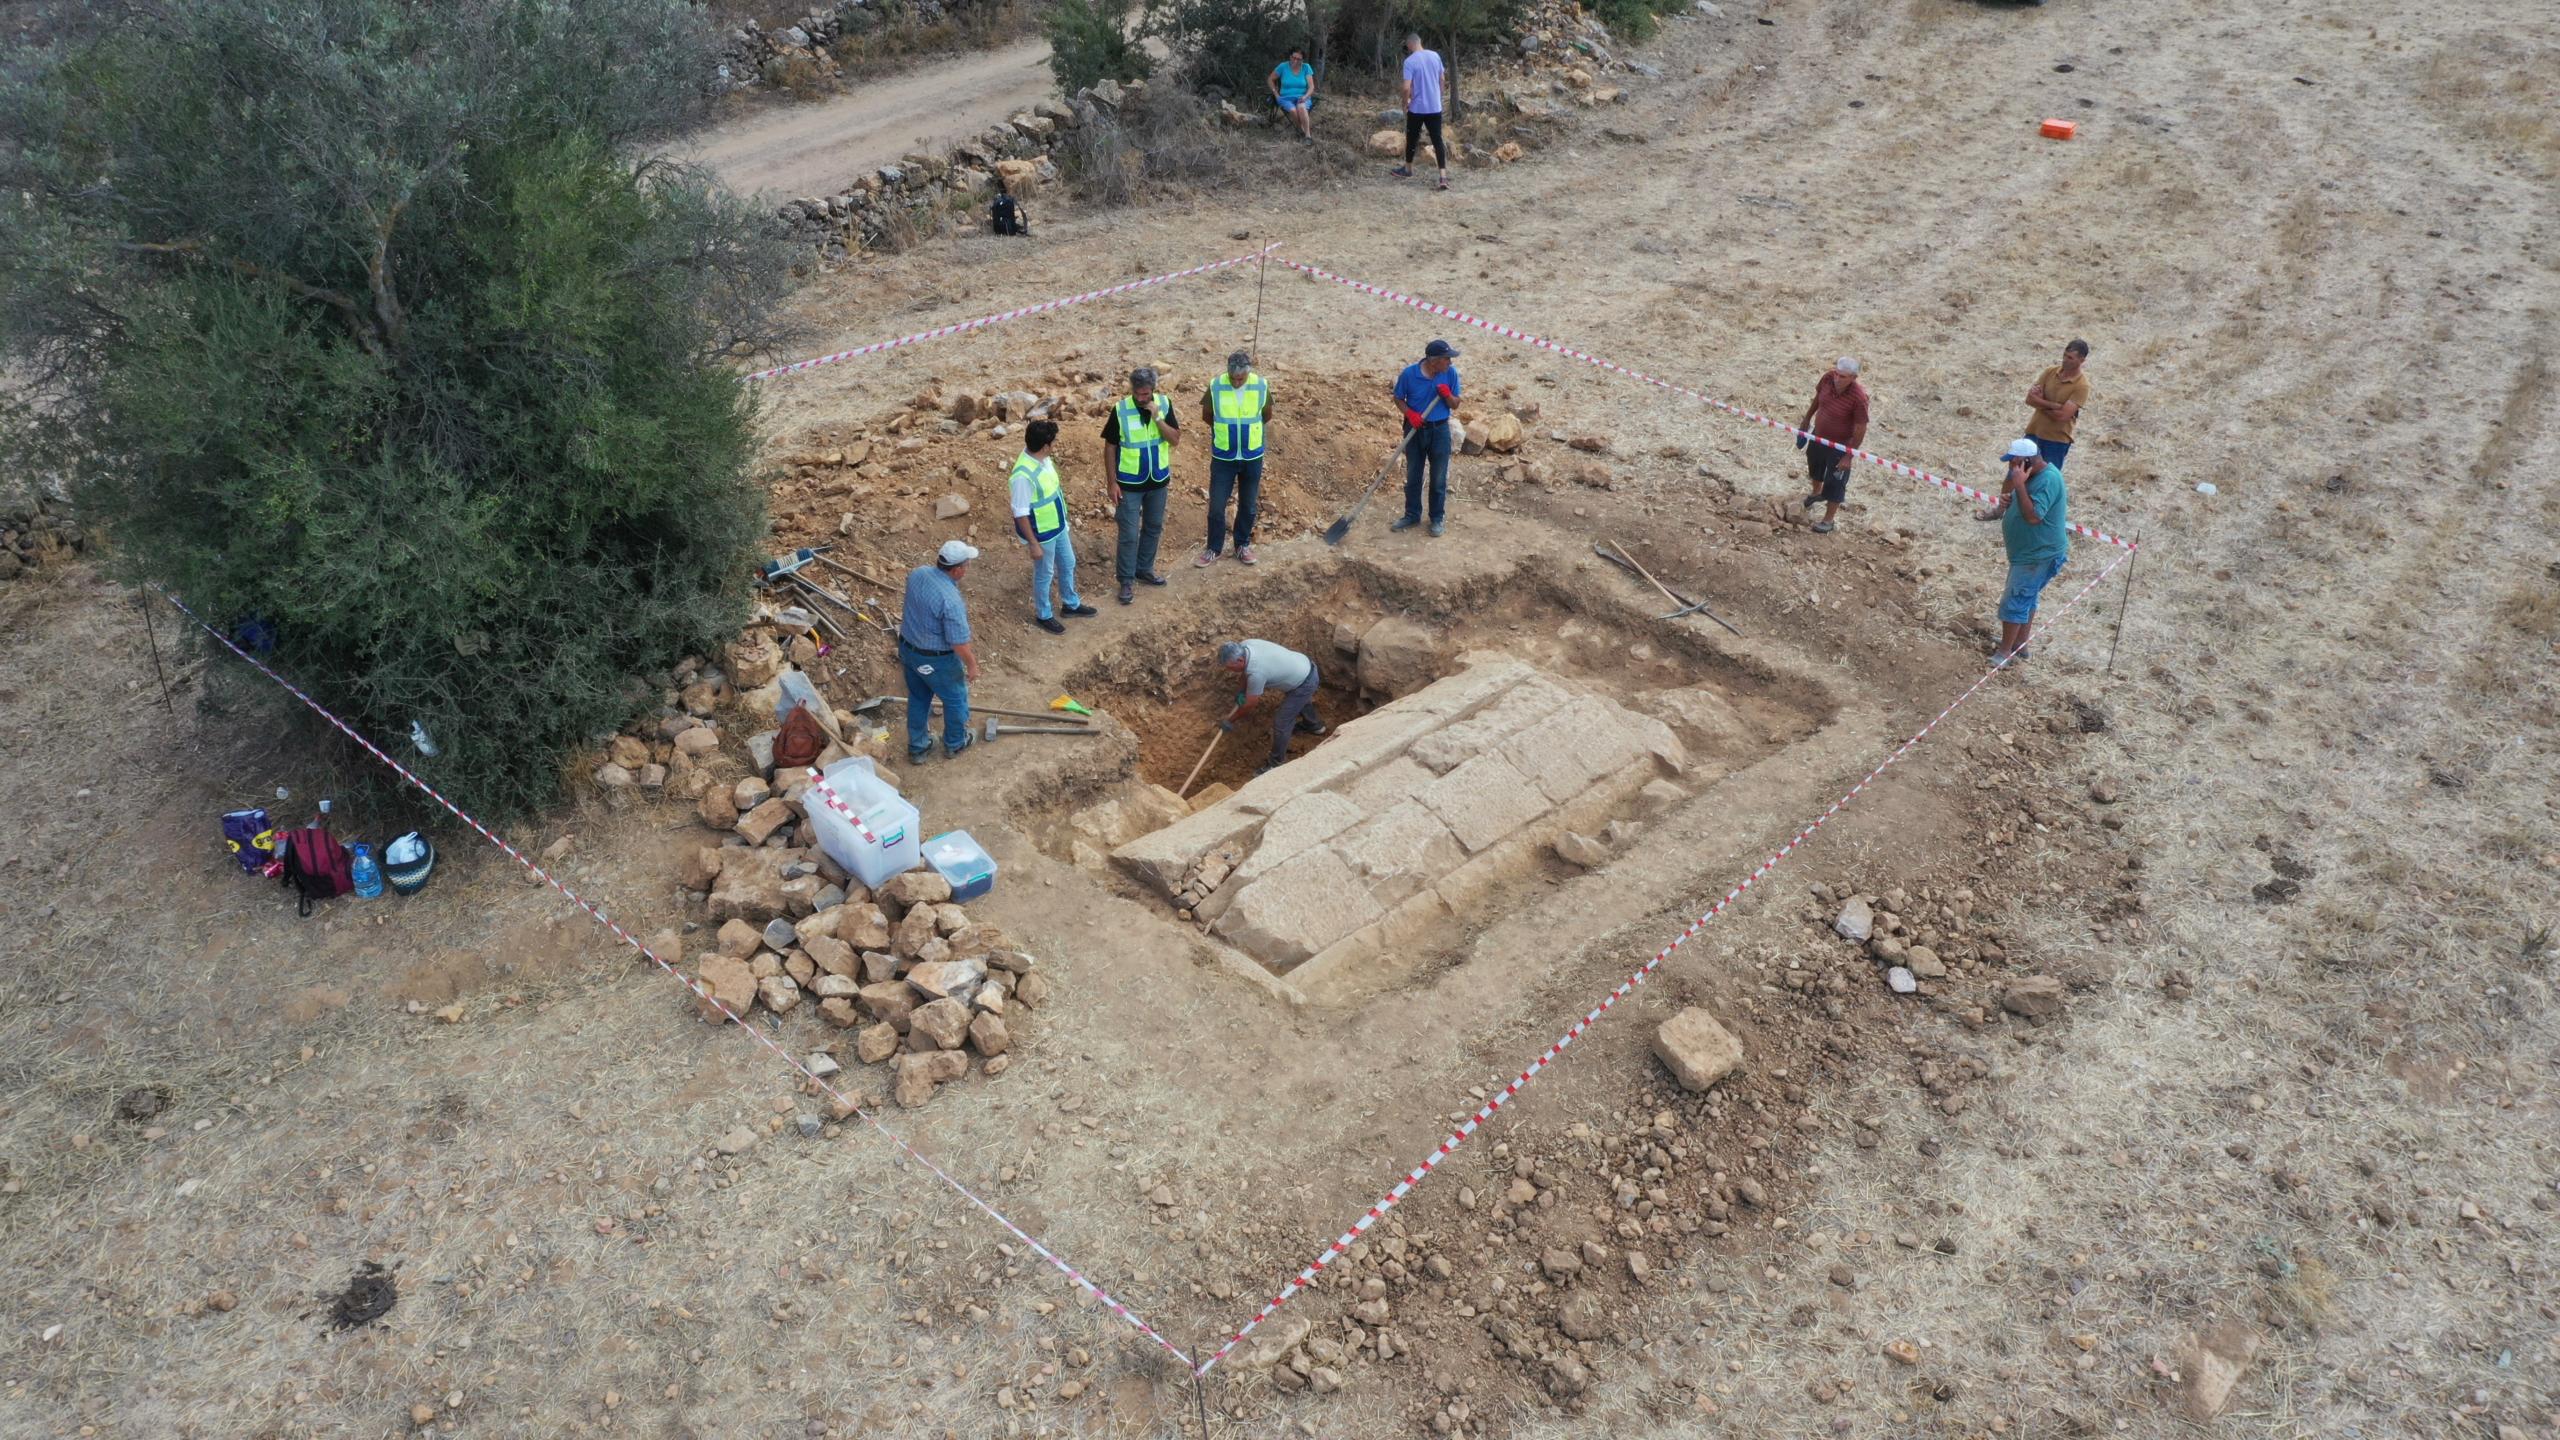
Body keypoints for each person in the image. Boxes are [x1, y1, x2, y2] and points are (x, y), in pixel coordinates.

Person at [1977, 438, 2071, 663]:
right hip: (2030, 553)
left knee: (2015, 600)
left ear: (2026, 462)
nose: (2010, 468)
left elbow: (2034, 516)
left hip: (2039, 554)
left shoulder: (2048, 479)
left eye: (2014, 463)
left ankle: (2005, 652)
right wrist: (2010, 501)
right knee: (2026, 597)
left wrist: (2019, 485)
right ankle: (2020, 645)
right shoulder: (2034, 477)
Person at [1099, 366, 1180, 604]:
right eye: (1138, 394)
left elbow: (1174, 439)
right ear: (1133, 390)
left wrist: (1157, 418)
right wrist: (1111, 482)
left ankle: (1144, 569)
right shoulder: (1121, 410)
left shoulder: (1164, 405)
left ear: (1153, 390)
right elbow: (1110, 447)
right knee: (1128, 533)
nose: (1142, 399)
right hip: (1129, 484)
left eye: (1146, 394)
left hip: (1157, 481)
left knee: (1154, 526)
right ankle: (1125, 580)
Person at [1009, 420, 1096, 635]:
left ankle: (1070, 604)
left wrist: (1063, 522)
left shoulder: (1043, 459)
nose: (1056, 444)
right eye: (1054, 442)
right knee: (1044, 573)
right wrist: (1033, 544)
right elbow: (1020, 513)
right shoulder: (1022, 476)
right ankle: (1044, 614)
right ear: (1045, 446)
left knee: (1068, 562)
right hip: (1042, 534)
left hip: (1057, 526)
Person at [898, 540, 981, 760]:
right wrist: (972, 665)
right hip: (936, 660)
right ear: (957, 570)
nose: (968, 568)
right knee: (955, 699)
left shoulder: (918, 573)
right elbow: (959, 643)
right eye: (967, 565)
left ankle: (918, 746)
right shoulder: (951, 600)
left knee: (918, 697)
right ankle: (955, 742)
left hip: (908, 650)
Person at [1198, 351, 1272, 567]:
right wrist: (1226, 432)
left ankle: (1242, 544)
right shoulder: (1216, 386)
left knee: (1248, 506)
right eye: (1234, 378)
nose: (1237, 382)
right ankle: (1213, 548)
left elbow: (1266, 414)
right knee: (1216, 506)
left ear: (1249, 372)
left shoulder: (1261, 385)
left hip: (1252, 456)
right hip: (1224, 457)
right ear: (1228, 372)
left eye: (1241, 378)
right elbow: (1207, 416)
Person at [1216, 639, 1328, 775]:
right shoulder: (1246, 645)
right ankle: (1315, 726)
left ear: (1240, 660)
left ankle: (1276, 763)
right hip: (1302, 666)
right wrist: (1241, 691)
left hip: (1304, 682)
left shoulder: (1257, 674)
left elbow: (1250, 704)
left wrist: (1230, 720)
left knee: (1281, 722)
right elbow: (1246, 672)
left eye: (1230, 667)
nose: (1230, 670)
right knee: (1299, 701)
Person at [1390, 339, 1462, 536]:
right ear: (1434, 360)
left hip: (1439, 430)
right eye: (1447, 359)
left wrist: (1447, 396)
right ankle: (1412, 514)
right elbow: (1398, 398)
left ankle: (1437, 518)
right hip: (1415, 430)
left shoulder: (1450, 374)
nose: (1450, 363)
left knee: (1438, 478)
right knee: (1413, 475)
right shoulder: (1409, 374)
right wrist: (1409, 414)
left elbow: (1455, 404)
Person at [1795, 356, 1869, 535]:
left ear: (1853, 378)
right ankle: (1816, 493)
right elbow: (1817, 398)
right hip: (1819, 436)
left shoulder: (1859, 398)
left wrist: (1848, 455)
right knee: (1814, 465)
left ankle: (1828, 520)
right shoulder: (1827, 378)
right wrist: (1807, 419)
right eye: (1836, 373)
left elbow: (1861, 428)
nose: (1837, 378)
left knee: (1836, 481)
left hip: (1841, 445)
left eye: (1843, 376)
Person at [1391, 33, 1449, 191]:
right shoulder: (1435, 56)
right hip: (1435, 107)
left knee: (1412, 138)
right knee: (1437, 140)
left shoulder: (1409, 61)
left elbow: (1405, 87)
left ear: (1410, 45)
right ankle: (1443, 176)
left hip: (1417, 108)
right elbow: (1442, 79)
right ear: (1420, 41)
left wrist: (1405, 103)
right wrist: (1439, 96)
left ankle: (1408, 169)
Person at [2023, 339, 2093, 471]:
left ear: (2082, 360)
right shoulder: (2050, 372)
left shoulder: (2082, 386)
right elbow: (2029, 399)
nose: (2065, 360)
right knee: (2017, 474)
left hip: (2055, 441)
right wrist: (2055, 406)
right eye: (2065, 355)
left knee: (2047, 481)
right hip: (2033, 433)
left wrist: (2040, 401)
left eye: (2070, 358)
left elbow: (2062, 416)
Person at [1269, 47, 1317, 143]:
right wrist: (1276, 94)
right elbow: (1270, 79)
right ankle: (1300, 130)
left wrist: (1305, 97)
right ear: (1290, 56)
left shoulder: (1306, 67)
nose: (1295, 60)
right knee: (1292, 110)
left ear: (1302, 60)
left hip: (1302, 96)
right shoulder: (1283, 66)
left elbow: (1311, 87)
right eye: (1293, 57)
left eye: (1298, 59)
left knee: (1302, 108)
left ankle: (1308, 136)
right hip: (1285, 98)